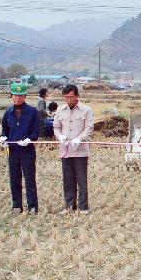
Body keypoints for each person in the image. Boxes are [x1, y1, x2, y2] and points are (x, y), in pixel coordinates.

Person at [53, 84, 94, 214]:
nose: (69, 99)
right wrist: (60, 137)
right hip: (65, 150)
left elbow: (89, 128)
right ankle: (70, 206)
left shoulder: (86, 110)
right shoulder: (60, 110)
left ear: (77, 96)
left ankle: (83, 207)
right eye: (66, 97)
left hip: (80, 150)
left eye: (71, 97)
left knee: (81, 180)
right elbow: (56, 127)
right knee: (68, 180)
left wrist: (79, 139)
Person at [0, 82, 40, 214]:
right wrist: (3, 138)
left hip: (27, 151)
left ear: (25, 96)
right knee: (14, 178)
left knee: (29, 178)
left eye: (21, 96)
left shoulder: (33, 112)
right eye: (16, 96)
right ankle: (17, 205)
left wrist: (29, 139)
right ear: (11, 96)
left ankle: (32, 206)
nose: (18, 98)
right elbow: (4, 129)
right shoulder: (8, 113)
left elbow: (36, 131)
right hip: (12, 151)